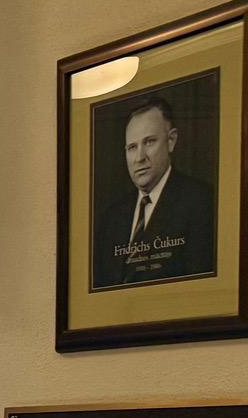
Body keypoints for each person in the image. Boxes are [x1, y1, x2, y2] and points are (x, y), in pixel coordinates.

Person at [93, 93, 217, 289]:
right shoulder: (111, 218)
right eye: (132, 147)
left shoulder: (202, 202)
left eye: (149, 142)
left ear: (171, 141)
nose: (140, 157)